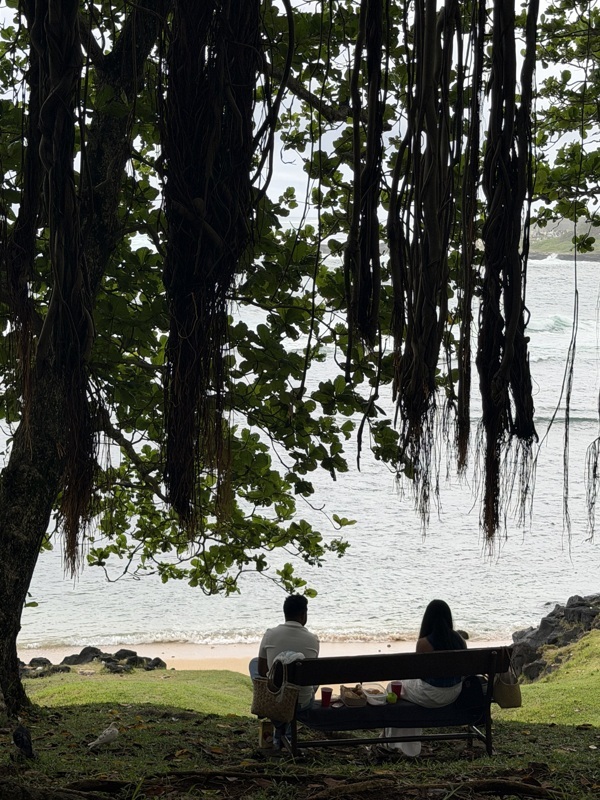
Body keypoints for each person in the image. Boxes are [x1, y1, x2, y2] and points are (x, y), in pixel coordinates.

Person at [382, 599, 467, 757]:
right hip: (454, 693)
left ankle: (392, 743)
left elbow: (416, 674)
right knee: (401, 691)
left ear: (427, 619)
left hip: (430, 695)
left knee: (393, 688)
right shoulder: (459, 640)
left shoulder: (424, 643)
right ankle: (403, 745)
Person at [249, 594, 320, 749]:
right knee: (307, 677)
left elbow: (262, 671)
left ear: (285, 613)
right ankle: (283, 732)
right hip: (303, 702)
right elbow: (312, 676)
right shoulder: (313, 639)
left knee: (254, 663)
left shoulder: (270, 634)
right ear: (303, 615)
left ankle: (279, 727)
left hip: (275, 699)